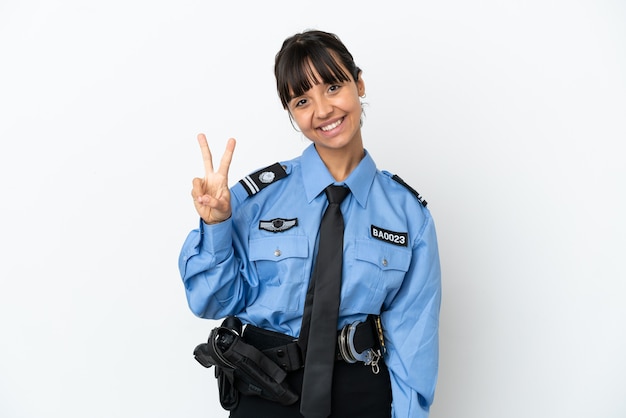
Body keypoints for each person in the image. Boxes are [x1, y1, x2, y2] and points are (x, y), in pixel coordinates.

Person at [178, 29, 442, 418]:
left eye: (334, 86)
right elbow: (211, 302)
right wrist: (217, 227)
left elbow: (414, 343)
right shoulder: (253, 200)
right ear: (291, 112)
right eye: (302, 100)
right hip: (264, 389)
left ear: (359, 83)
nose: (323, 110)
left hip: (360, 395)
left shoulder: (408, 215)